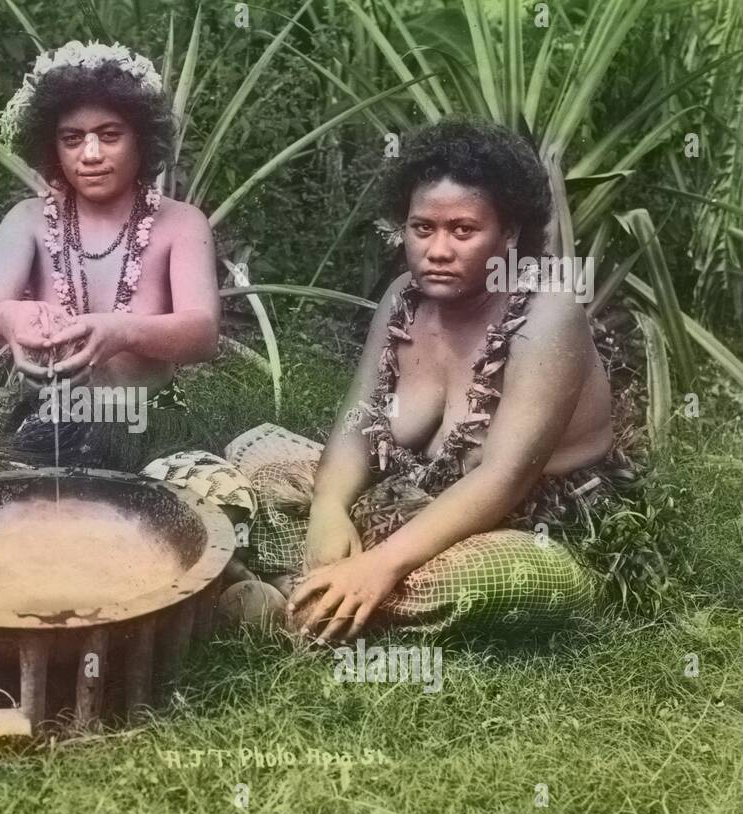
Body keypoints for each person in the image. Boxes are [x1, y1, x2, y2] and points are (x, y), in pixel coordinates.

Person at [228, 120, 635, 640]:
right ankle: (324, 593)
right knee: (253, 454)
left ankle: (297, 596)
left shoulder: (547, 316)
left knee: (479, 576)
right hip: (408, 493)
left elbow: (502, 479)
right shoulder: (403, 297)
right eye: (423, 228)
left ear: (508, 235)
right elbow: (357, 422)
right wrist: (329, 510)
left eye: (463, 231)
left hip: (521, 521)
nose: (437, 250)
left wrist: (381, 565)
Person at [0, 41, 255, 523]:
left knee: (221, 501)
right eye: (72, 138)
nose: (91, 154)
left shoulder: (181, 223)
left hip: (150, 421)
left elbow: (202, 335)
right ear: (52, 146)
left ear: (142, 139)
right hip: (51, 419)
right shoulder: (28, 220)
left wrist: (120, 331)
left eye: (109, 134)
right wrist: (9, 317)